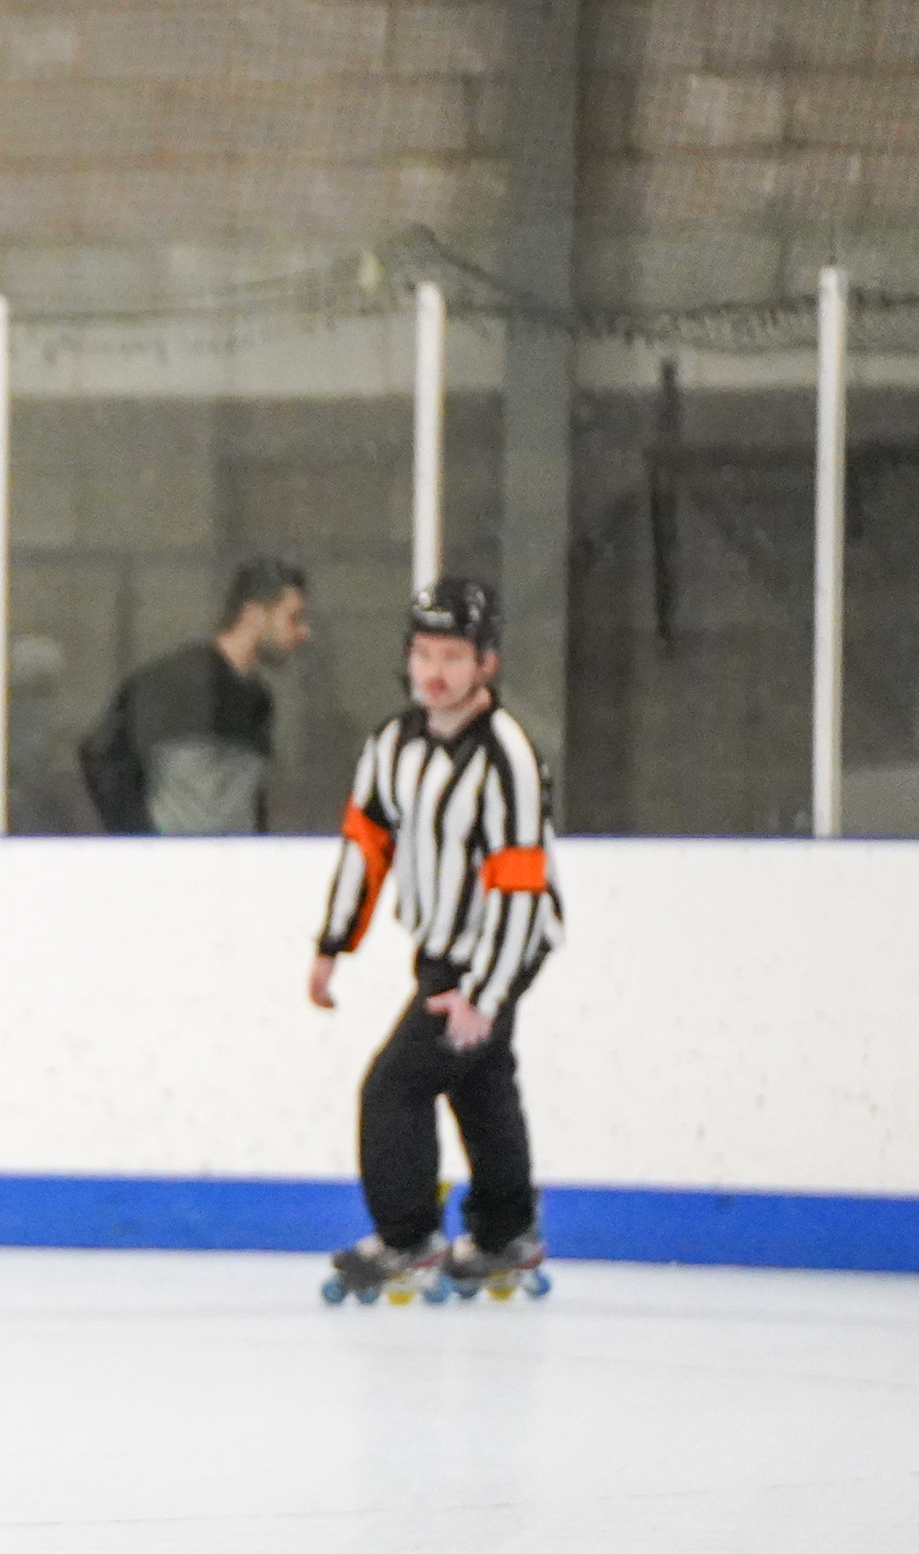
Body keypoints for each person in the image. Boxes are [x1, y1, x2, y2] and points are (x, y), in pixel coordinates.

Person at [308, 576, 567, 1303]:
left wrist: (485, 991)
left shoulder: (507, 755)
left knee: (395, 1085)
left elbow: (520, 881)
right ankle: (503, 1228)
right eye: (423, 653)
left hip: (502, 946)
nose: (434, 671)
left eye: (452, 655)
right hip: (440, 947)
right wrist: (332, 943)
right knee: (478, 1080)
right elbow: (365, 846)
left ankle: (406, 1234)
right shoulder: (392, 743)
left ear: (486, 662)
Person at [77, 556, 312, 834]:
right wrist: (142, 842)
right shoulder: (174, 682)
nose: (304, 632)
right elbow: (105, 757)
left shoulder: (258, 699)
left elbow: (247, 799)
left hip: (235, 865)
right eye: (293, 618)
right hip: (176, 866)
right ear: (253, 615)